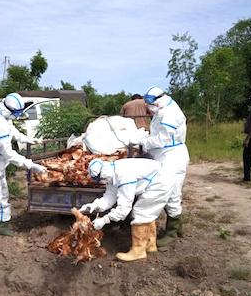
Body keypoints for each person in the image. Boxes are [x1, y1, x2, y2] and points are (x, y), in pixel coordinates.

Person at [0, 92, 47, 245]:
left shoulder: (1, 111)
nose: (18, 116)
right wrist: (31, 165)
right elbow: (9, 154)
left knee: (3, 192)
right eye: (17, 113)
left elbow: (10, 128)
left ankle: (2, 225)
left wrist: (26, 139)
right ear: (9, 110)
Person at [79, 157, 175, 262]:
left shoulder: (123, 176)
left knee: (141, 213)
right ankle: (149, 245)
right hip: (159, 178)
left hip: (161, 182)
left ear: (101, 177)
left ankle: (138, 252)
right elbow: (109, 197)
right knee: (147, 212)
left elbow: (123, 210)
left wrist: (105, 220)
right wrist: (95, 205)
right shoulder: (111, 172)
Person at [131, 86, 189, 246]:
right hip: (164, 155)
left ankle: (171, 233)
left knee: (171, 194)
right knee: (169, 193)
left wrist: (143, 142)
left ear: (158, 101)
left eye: (150, 104)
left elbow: (162, 139)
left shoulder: (169, 113)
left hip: (172, 157)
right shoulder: (163, 107)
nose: (148, 108)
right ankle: (179, 228)